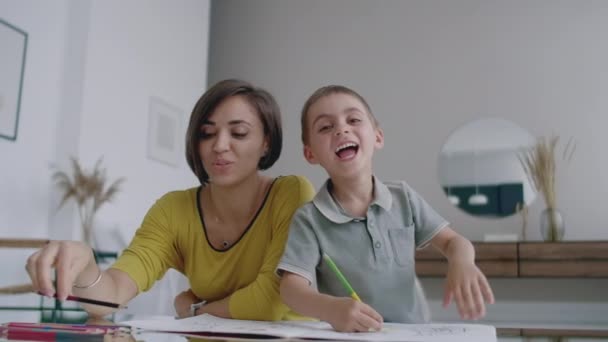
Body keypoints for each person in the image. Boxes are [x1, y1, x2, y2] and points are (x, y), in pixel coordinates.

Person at [25, 79, 315, 320]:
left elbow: (270, 301)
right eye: (207, 133)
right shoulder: (173, 210)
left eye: (239, 133)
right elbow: (111, 296)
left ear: (266, 142)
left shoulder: (291, 194)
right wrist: (87, 268)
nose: (219, 145)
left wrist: (194, 309)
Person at [277, 85, 495, 332]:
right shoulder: (309, 219)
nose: (342, 129)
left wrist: (462, 262)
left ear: (378, 137)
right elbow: (291, 289)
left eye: (353, 119)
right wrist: (330, 309)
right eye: (326, 127)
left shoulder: (404, 197)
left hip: (414, 334)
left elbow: (453, 242)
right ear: (310, 154)